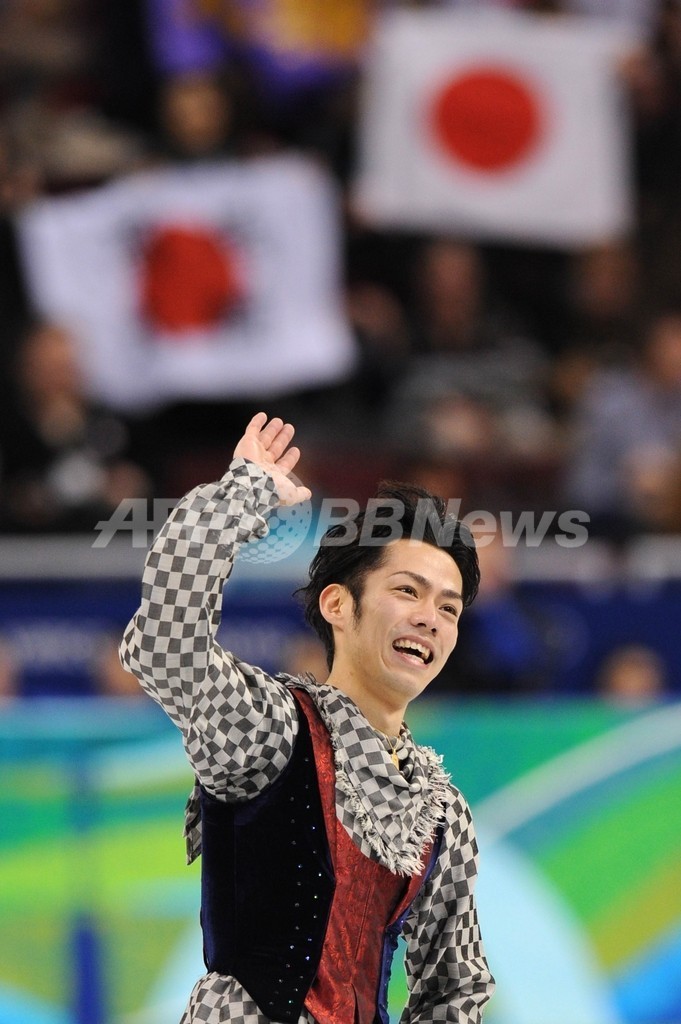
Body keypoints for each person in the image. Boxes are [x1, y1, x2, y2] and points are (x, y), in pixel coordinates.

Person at [120, 412, 495, 1024]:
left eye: (449, 608)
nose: (431, 618)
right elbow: (165, 640)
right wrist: (244, 494)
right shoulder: (271, 731)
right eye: (408, 591)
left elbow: (455, 992)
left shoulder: (440, 809)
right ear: (338, 604)